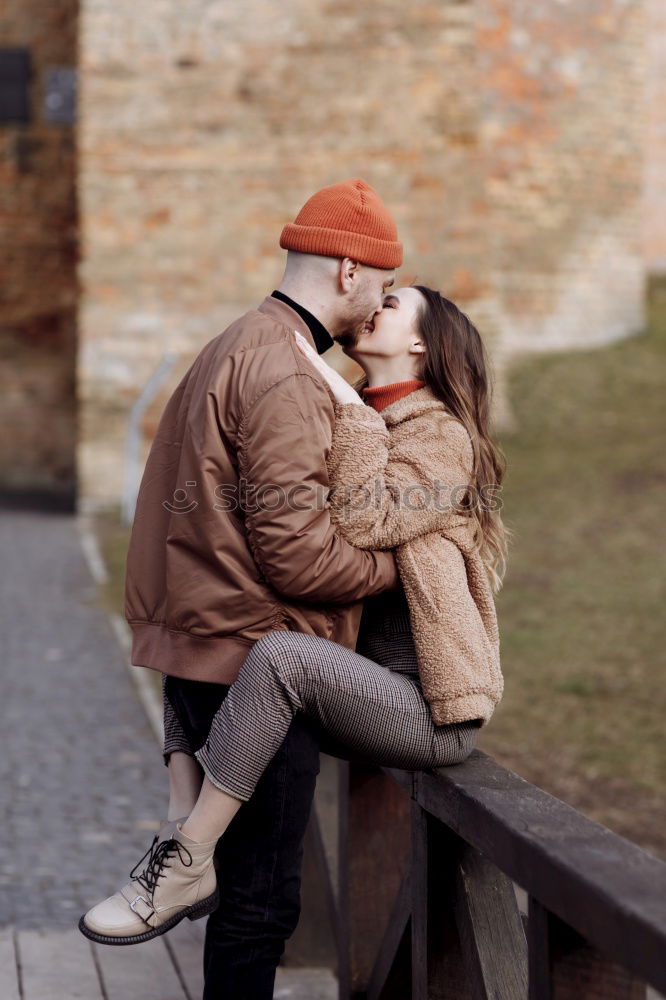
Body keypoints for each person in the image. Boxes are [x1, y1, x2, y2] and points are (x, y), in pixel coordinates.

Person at [80, 280, 509, 973]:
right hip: (360, 690)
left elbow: (366, 520)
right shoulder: (356, 408)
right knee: (209, 634)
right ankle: (178, 825)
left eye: (393, 304)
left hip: (430, 710)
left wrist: (348, 410)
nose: (375, 307)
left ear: (423, 345)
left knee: (280, 656)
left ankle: (189, 857)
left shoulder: (443, 438)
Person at [79, 179, 404, 997]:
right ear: (344, 271)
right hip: (251, 663)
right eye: (381, 282)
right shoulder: (286, 375)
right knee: (258, 908)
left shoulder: (234, 342)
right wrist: (403, 566)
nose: (381, 301)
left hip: (205, 647)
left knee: (242, 903)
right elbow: (298, 558)